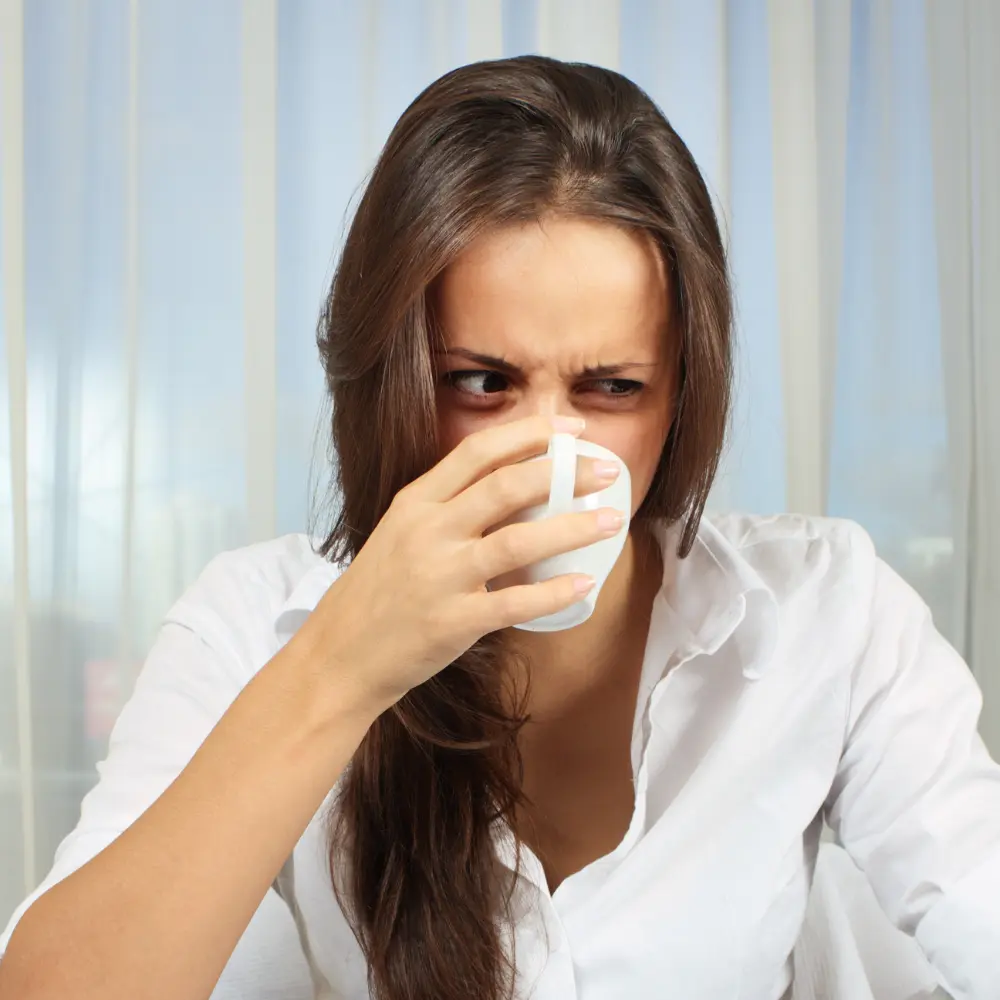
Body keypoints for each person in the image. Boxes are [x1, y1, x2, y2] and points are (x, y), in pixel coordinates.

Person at [1, 54, 998, 1000]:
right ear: (389, 377)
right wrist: (345, 664)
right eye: (481, 382)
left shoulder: (825, 615)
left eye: (610, 387)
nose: (543, 450)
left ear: (680, 398)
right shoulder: (250, 622)